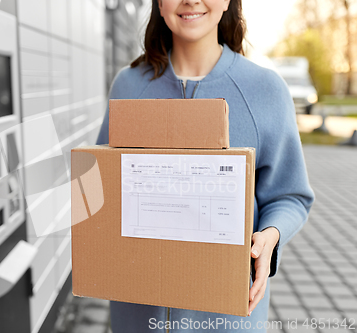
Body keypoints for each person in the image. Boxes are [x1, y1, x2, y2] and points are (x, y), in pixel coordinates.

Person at [96, 0, 315, 332]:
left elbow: (290, 195)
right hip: (136, 315)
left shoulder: (265, 90)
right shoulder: (128, 85)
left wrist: (271, 235)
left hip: (225, 319)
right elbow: (99, 185)